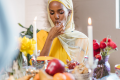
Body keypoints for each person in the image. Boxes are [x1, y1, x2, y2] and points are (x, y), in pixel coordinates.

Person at [37, 0, 89, 64]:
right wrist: (50, 38)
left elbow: (86, 69)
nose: (56, 17)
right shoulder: (41, 35)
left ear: (69, 12)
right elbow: (38, 66)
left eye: (61, 12)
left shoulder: (82, 39)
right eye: (52, 13)